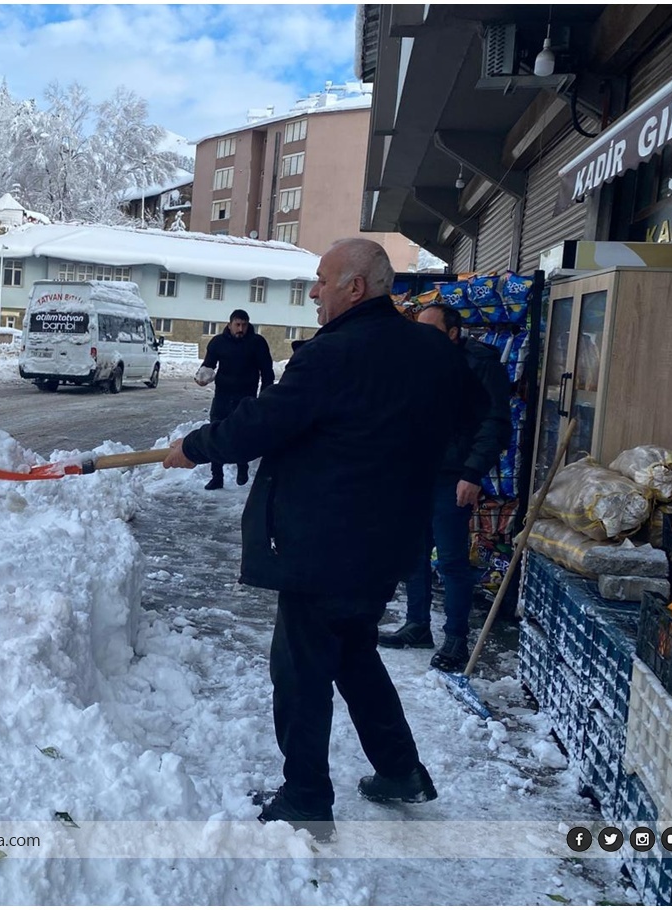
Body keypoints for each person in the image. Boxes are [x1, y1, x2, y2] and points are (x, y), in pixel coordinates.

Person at [162, 239, 487, 840]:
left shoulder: (333, 354)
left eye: (321, 280)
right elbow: (472, 414)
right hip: (389, 540)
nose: (313, 291)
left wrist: (195, 447)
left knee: (302, 668)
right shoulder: (433, 351)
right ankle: (400, 771)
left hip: (325, 541)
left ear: (355, 287)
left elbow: (263, 423)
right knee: (355, 654)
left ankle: (307, 797)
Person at [380, 303, 512, 671]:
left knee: (452, 560)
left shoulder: (480, 364)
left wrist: (472, 474)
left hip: (454, 475)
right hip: (417, 471)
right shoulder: (420, 361)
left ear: (453, 333)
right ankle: (417, 625)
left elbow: (495, 424)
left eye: (431, 330)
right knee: (414, 553)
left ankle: (456, 638)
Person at [194, 309, 274, 490]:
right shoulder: (218, 342)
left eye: (244, 325)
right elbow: (208, 365)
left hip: (246, 398)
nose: (241, 329)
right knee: (216, 434)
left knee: (242, 434)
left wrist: (265, 396)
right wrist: (202, 377)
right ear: (229, 324)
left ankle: (242, 467)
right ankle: (217, 477)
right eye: (237, 324)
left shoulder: (257, 343)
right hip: (222, 396)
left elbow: (267, 372)